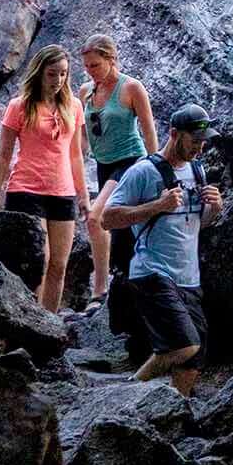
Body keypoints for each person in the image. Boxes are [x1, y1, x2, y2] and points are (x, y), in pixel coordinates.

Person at [101, 102, 222, 389]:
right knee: (184, 346)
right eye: (195, 142)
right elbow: (108, 218)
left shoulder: (198, 171)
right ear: (174, 133)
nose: (199, 149)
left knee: (194, 357)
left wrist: (214, 210)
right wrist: (158, 205)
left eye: (203, 143)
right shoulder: (142, 171)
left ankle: (175, 412)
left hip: (189, 277)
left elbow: (194, 225)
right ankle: (127, 394)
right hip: (152, 272)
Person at [0, 44, 87, 313]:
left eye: (63, 74)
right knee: (39, 261)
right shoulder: (19, 106)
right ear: (40, 73)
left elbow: (76, 155)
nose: (58, 80)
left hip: (63, 193)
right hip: (26, 190)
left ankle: (49, 324)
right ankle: (29, 319)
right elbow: (4, 155)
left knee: (59, 265)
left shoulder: (74, 106)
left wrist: (83, 195)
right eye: (52, 74)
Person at [78, 35, 157, 314]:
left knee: (96, 219)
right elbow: (84, 137)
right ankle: (125, 288)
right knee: (120, 231)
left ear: (111, 59)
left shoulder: (131, 87)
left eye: (96, 65)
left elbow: (148, 131)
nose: (90, 71)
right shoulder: (86, 90)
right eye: (87, 66)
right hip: (103, 164)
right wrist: (74, 167)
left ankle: (99, 290)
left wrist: (157, 167)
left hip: (129, 161)